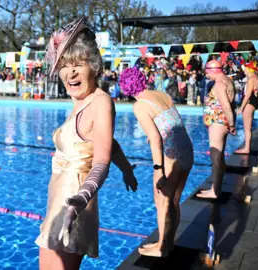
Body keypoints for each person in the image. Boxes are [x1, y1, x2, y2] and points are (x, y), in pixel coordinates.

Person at [35, 17, 137, 270]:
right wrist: (126, 169)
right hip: (61, 200)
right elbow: (108, 144)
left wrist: (82, 198)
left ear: (93, 66)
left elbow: (101, 160)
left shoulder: (100, 102)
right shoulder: (81, 102)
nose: (70, 73)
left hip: (74, 203)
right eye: (64, 65)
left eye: (78, 65)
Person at [119, 67, 194, 257]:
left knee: (162, 201)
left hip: (171, 156)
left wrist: (158, 169)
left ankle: (161, 247)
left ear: (125, 87)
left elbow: (155, 138)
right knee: (174, 201)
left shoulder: (139, 105)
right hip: (187, 150)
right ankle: (168, 243)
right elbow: (171, 123)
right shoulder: (161, 94)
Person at [197, 60, 237, 200]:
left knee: (216, 158)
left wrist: (232, 125)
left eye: (207, 71)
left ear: (214, 70)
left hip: (218, 123)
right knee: (218, 158)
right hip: (220, 122)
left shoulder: (220, 84)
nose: (206, 74)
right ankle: (215, 188)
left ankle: (215, 191)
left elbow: (226, 106)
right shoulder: (227, 81)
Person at [235, 62, 258, 154]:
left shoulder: (251, 80)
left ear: (249, 69)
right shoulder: (257, 78)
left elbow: (247, 95)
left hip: (249, 104)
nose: (244, 71)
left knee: (247, 128)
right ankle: (247, 146)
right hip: (254, 103)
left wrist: (241, 108)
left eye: (245, 69)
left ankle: (246, 148)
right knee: (248, 127)